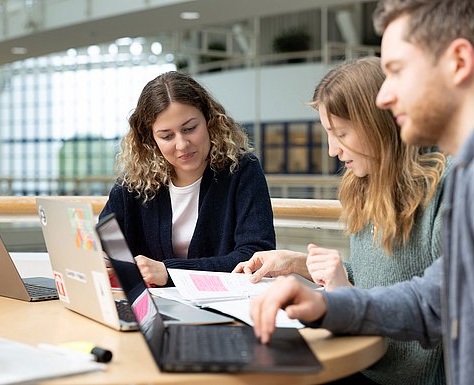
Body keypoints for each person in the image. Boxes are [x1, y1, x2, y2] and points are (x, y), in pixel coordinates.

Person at [250, 1, 474, 385]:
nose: (385, 98)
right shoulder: (457, 176)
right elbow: (432, 298)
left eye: (397, 71)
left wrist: (334, 299)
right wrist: (313, 280)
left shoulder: (456, 181)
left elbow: (433, 306)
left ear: (458, 61)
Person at [99, 71, 275, 287]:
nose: (182, 144)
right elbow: (104, 245)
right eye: (166, 136)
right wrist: (102, 260)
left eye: (190, 129)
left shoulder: (242, 171)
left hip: (223, 306)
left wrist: (169, 271)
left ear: (209, 120)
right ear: (150, 139)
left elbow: (255, 257)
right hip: (153, 308)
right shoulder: (132, 185)